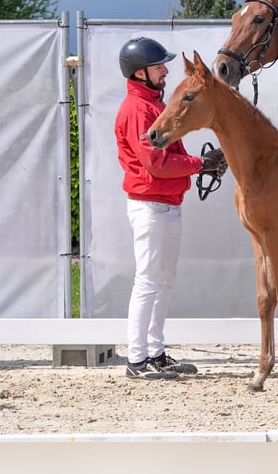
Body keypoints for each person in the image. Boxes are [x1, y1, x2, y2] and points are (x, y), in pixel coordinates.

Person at [114, 36, 227, 380]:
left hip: (167, 204)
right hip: (151, 205)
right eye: (159, 66)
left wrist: (200, 163)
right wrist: (200, 164)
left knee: (164, 282)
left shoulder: (153, 106)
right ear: (140, 73)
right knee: (148, 281)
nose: (165, 71)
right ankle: (136, 359)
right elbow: (157, 164)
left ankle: (154, 352)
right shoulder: (137, 111)